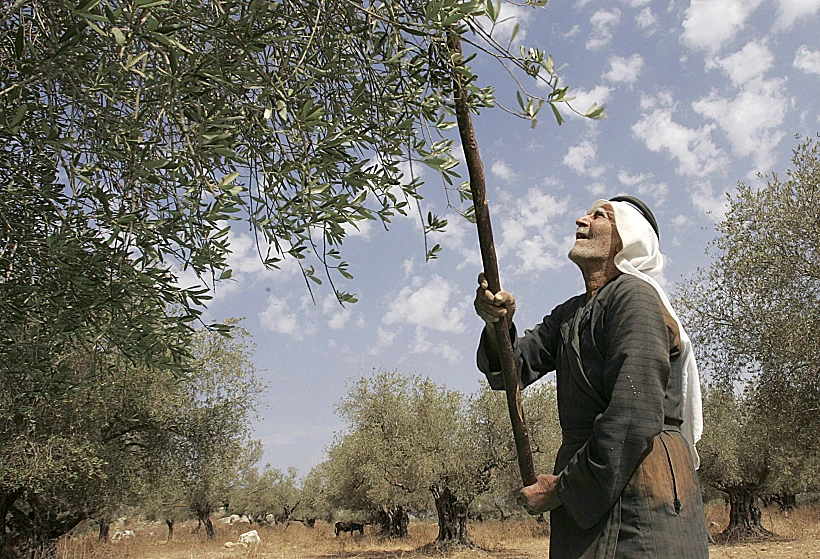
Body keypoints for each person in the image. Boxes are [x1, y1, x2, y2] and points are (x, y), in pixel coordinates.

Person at [474, 196, 709, 559]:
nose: (581, 220)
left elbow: (634, 414)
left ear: (628, 237)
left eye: (600, 216)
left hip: (641, 484)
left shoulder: (636, 298)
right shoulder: (570, 313)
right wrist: (497, 323)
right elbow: (511, 370)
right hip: (591, 482)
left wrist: (562, 489)